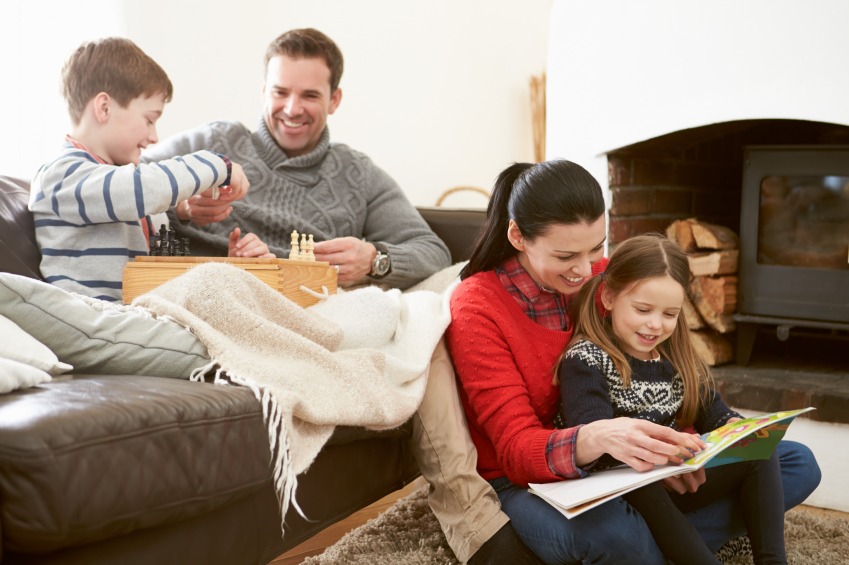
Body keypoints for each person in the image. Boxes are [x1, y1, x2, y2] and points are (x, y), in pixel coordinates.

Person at [445, 159, 821, 564]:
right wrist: (599, 439)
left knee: (795, 463)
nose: (587, 270)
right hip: (532, 484)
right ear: (518, 236)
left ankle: (663, 546)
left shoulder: (607, 278)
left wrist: (677, 452)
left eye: (597, 248)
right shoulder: (478, 306)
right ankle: (663, 545)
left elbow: (662, 367)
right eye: (566, 255)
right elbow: (516, 452)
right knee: (616, 534)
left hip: (629, 471)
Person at [142, 28, 451, 290]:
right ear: (264, 92)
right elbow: (124, 178)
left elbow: (434, 252)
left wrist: (375, 259)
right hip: (203, 292)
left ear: (334, 100)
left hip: (309, 305)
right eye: (280, 92)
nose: (292, 109)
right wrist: (180, 206)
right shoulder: (212, 143)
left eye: (310, 95)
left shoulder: (359, 175)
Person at [558, 233, 786, 565]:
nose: (655, 324)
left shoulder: (678, 360)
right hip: (618, 495)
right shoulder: (586, 358)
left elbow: (716, 414)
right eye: (642, 309)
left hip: (669, 482)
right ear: (608, 297)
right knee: (643, 487)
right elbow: (594, 441)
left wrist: (737, 430)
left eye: (669, 314)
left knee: (763, 448)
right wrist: (663, 461)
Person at [29, 38, 271, 302]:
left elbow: (163, 280)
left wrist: (230, 268)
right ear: (104, 108)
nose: (154, 137)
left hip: (144, 316)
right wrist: (216, 165)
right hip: (101, 319)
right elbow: (140, 188)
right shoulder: (60, 176)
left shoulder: (122, 184)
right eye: (149, 120)